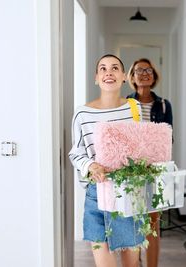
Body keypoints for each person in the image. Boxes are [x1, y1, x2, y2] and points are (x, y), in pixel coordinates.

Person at [69, 54, 143, 267]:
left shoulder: (134, 108)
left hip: (129, 191)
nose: (108, 72)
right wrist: (90, 165)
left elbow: (143, 147)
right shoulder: (82, 113)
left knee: (132, 264)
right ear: (96, 77)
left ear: (123, 77)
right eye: (102, 68)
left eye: (114, 68)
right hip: (97, 194)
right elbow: (76, 153)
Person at [126, 58, 173, 267]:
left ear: (154, 76)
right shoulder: (125, 103)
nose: (144, 73)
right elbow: (121, 137)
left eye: (148, 70)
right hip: (130, 170)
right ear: (132, 76)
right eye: (139, 70)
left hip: (155, 170)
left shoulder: (164, 105)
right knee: (134, 223)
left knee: (153, 224)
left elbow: (167, 139)